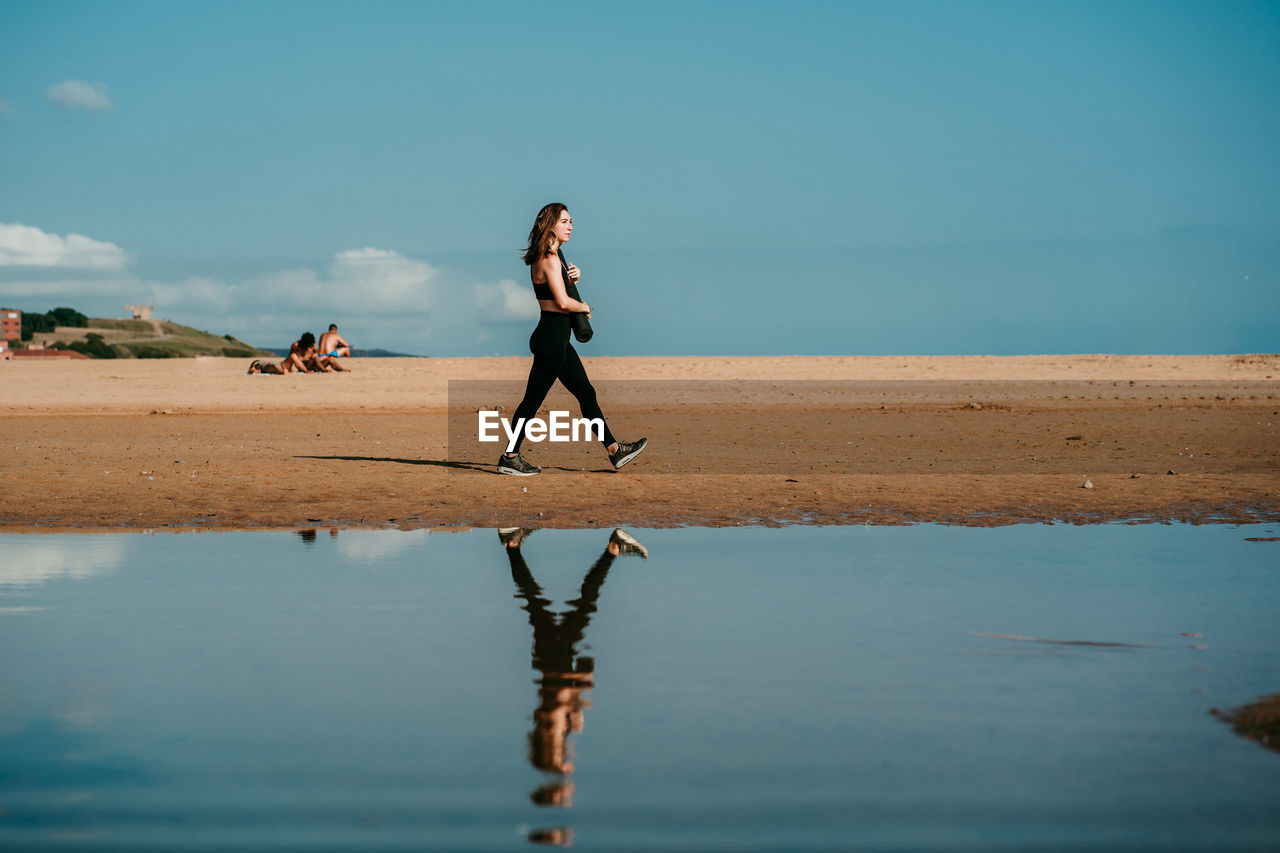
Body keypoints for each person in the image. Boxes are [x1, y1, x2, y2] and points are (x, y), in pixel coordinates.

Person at [497, 203, 647, 476]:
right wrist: (585, 307)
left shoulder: (555, 257)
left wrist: (571, 277)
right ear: (551, 224)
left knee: (586, 393)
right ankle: (510, 457)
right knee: (532, 401)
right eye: (565, 221)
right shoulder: (549, 258)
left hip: (556, 338)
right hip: (551, 338)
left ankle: (615, 450)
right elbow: (564, 302)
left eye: (570, 221)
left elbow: (559, 289)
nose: (570, 226)